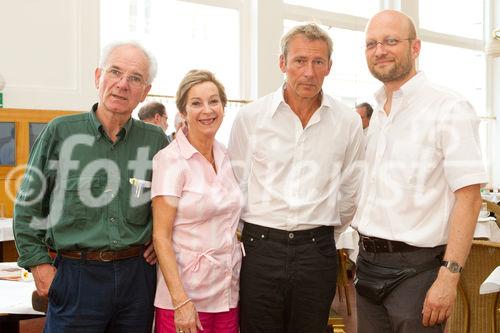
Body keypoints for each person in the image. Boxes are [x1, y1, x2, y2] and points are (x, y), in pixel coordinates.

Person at [13, 41, 169, 332]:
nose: (122, 84)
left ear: (145, 91)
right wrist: (38, 265)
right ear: (98, 77)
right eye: (115, 72)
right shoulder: (60, 132)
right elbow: (27, 206)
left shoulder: (156, 142)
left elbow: (174, 206)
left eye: (135, 78)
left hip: (138, 277)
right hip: (76, 276)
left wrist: (161, 244)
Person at [351, 10, 487, 333]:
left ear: (415, 48)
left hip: (417, 273)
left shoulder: (449, 108)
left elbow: (469, 199)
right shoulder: (378, 114)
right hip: (367, 265)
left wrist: (449, 276)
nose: (379, 50)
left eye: (391, 41)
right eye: (371, 44)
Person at [228, 23, 364, 333]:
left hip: (316, 250)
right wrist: (254, 232)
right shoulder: (251, 117)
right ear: (282, 63)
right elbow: (236, 183)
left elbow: (351, 190)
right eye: (300, 61)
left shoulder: (347, 122)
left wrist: (321, 230)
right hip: (261, 247)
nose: (309, 72)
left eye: (318, 62)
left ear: (329, 67)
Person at [152, 69, 242, 333]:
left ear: (223, 107)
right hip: (184, 296)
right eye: (196, 103)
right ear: (183, 111)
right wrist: (181, 302)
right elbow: (161, 236)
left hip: (226, 291)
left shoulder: (226, 155)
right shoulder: (170, 161)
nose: (207, 110)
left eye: (214, 101)